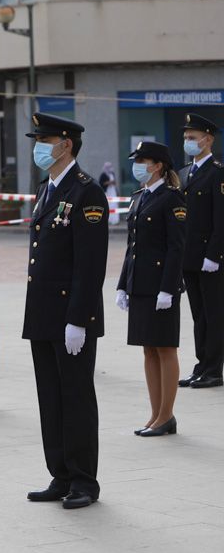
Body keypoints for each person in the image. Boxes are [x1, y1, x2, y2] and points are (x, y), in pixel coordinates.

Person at [23, 113, 108, 510]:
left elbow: (89, 266)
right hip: (42, 312)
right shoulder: (48, 188)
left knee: (75, 397)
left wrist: (78, 319)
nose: (39, 146)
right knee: (50, 397)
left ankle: (84, 481)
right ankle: (60, 473)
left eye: (45, 140)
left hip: (71, 316)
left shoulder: (86, 193)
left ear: (66, 145)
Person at [116, 142, 185, 437]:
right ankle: (155, 413)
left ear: (158, 165)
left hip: (160, 287)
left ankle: (166, 415)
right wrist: (122, 284)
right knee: (148, 349)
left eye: (143, 161)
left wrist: (168, 289)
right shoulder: (139, 197)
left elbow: (176, 248)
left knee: (165, 348)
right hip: (140, 285)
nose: (138, 165)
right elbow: (132, 246)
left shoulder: (172, 199)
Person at [178, 113, 224, 390]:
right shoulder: (185, 173)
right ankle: (201, 365)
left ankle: (213, 368)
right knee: (198, 315)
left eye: (192, 138)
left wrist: (215, 254)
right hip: (190, 256)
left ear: (208, 139)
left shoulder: (218, 171)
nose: (188, 142)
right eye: (185, 138)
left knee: (214, 313)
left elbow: (222, 218)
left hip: (210, 258)